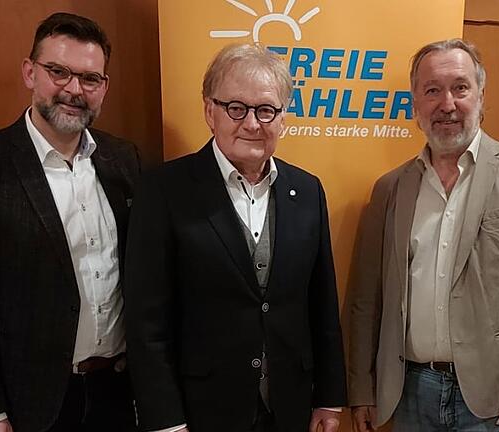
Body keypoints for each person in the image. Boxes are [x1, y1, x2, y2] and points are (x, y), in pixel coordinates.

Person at [346, 38, 499, 432]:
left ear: (481, 96)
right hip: (408, 393)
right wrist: (361, 389)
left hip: (494, 398)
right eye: (432, 90)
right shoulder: (390, 189)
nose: (447, 104)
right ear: (415, 105)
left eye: (460, 88)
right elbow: (366, 301)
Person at [124, 43, 347, 432]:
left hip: (290, 408)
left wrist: (329, 397)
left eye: (265, 110)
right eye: (236, 108)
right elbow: (147, 322)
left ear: (283, 118)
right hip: (201, 412)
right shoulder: (163, 190)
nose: (252, 123)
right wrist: (165, 420)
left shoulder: (307, 190)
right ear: (210, 111)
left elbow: (321, 303)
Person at [0, 12, 140, 432]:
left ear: (104, 87)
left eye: (90, 78)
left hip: (118, 394)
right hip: (31, 402)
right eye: (58, 72)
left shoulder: (125, 160)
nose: (73, 90)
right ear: (30, 72)